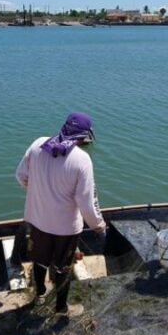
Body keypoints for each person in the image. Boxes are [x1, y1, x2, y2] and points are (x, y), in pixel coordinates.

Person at [16, 112, 106, 317]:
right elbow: (86, 202)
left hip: (37, 220)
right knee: (62, 266)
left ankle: (39, 293)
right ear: (83, 137)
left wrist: (40, 194)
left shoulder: (38, 143)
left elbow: (20, 176)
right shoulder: (82, 160)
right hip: (65, 228)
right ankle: (61, 308)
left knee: (39, 258)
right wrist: (97, 225)